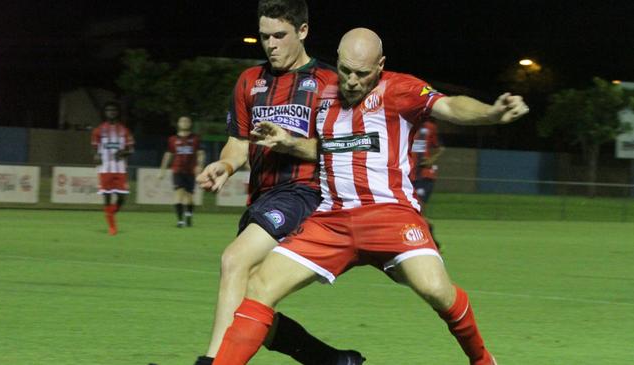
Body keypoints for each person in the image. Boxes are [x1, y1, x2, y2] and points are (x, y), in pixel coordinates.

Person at [211, 28, 529, 364]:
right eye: (345, 70)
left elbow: (450, 107)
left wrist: (492, 113)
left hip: (390, 215)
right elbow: (329, 148)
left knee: (436, 290)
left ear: (380, 66)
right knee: (258, 288)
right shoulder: (324, 95)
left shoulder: (400, 89)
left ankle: (481, 359)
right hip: (331, 220)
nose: (351, 80)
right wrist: (288, 141)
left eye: (362, 74)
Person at [194, 1, 364, 364]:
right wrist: (225, 164)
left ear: (302, 31)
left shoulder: (331, 84)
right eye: (264, 36)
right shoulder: (249, 82)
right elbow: (240, 142)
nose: (271, 44)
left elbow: (345, 147)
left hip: (306, 194)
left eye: (280, 35)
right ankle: (332, 361)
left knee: (233, 260)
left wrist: (289, 142)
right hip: (263, 198)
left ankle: (212, 362)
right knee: (246, 302)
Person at [91, 101, 134, 236]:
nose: (111, 112)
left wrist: (124, 153)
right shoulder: (98, 130)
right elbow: (95, 149)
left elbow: (131, 149)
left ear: (117, 112)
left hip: (120, 168)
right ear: (105, 113)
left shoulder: (124, 130)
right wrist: (96, 156)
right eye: (108, 110)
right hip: (105, 169)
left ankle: (110, 213)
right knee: (107, 197)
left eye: (114, 110)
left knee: (122, 197)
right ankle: (112, 227)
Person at [159, 116, 206, 227]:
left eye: (187, 121)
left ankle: (189, 216)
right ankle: (180, 221)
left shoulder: (195, 138)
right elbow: (168, 155)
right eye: (182, 121)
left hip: (190, 171)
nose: (184, 123)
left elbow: (201, 153)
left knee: (189, 197)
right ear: (178, 124)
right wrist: (162, 170)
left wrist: (200, 165)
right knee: (179, 193)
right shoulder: (172, 139)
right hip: (177, 170)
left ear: (190, 124)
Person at [411, 118, 444, 204]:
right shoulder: (402, 124)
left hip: (423, 173)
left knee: (419, 204)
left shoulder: (429, 127)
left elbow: (439, 148)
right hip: (406, 173)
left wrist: (431, 160)